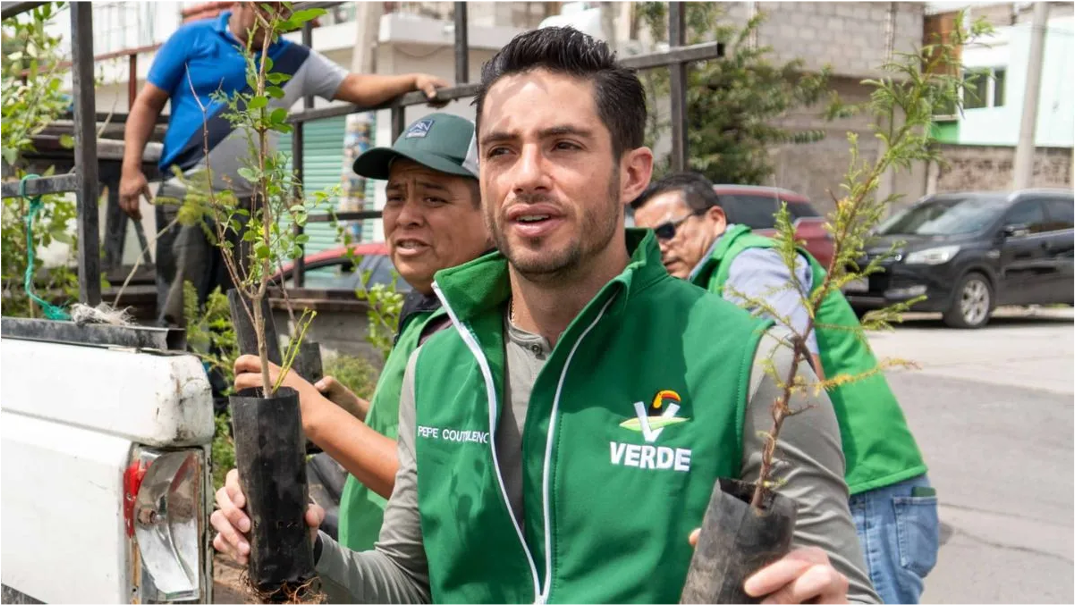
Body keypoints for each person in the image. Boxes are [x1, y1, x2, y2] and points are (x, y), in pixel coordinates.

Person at [213, 26, 882, 605]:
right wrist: (303, 547)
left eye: (563, 146)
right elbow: (409, 584)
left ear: (631, 174)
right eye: (501, 151)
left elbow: (844, 585)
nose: (526, 174)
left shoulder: (748, 364)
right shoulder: (440, 364)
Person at [631, 171, 937, 605]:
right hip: (849, 490)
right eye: (646, 237)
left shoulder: (748, 261)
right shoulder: (701, 283)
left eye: (667, 230)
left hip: (869, 490)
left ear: (715, 218)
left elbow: (790, 372)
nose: (659, 246)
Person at [237, 111, 493, 549]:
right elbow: (424, 434)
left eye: (433, 199)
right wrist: (357, 410)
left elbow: (438, 482)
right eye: (395, 197)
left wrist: (316, 416)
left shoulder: (484, 324)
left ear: (490, 212)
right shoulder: (430, 304)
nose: (406, 216)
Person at [119, 0, 450, 325]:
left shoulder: (294, 59)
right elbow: (147, 102)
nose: (275, 14)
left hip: (247, 207)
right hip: (185, 197)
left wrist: (412, 80)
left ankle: (229, 380)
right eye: (268, 5)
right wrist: (130, 169)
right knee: (179, 306)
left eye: (283, 8)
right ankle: (178, 375)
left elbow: (355, 86)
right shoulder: (192, 37)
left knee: (240, 311)